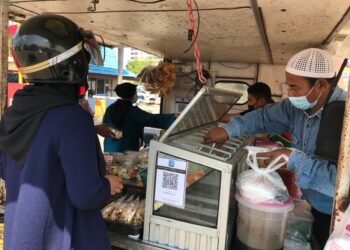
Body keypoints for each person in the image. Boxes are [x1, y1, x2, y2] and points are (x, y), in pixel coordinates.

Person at [0, 14, 123, 250]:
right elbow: (85, 195)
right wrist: (108, 184)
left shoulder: (13, 114)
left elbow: (10, 169)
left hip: (22, 237)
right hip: (63, 239)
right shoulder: (72, 118)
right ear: (73, 63)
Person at [203, 48, 346, 249]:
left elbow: (341, 182)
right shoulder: (296, 108)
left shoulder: (345, 118)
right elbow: (263, 117)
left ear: (321, 85)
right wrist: (229, 130)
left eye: (295, 87)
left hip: (341, 216)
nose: (290, 94)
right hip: (315, 205)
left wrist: (293, 159)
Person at [102, 82, 176, 152]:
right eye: (136, 93)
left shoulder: (110, 109)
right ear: (132, 95)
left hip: (109, 147)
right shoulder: (133, 111)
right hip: (126, 148)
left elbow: (105, 126)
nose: (136, 95)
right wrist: (174, 117)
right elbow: (152, 119)